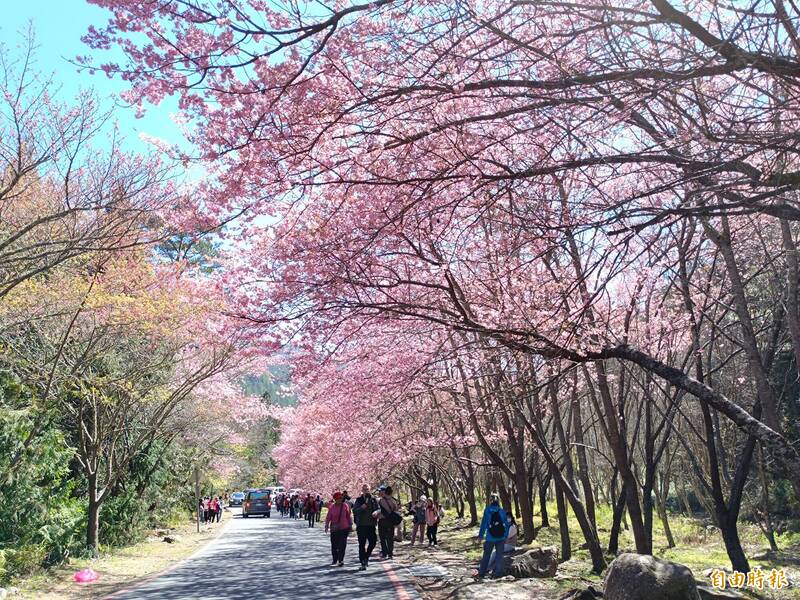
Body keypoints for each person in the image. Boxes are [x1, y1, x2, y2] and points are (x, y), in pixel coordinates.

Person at [477, 494, 508, 579]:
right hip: (501, 538)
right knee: (499, 556)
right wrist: (505, 536)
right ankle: (498, 574)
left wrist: (481, 536)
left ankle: (482, 573)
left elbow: (483, 524)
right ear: (498, 501)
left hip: (490, 538)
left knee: (486, 555)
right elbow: (506, 524)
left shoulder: (487, 511)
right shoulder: (502, 511)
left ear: (490, 501)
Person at [353, 484, 379, 570]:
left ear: (370, 489)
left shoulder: (373, 499)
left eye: (367, 489)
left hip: (371, 525)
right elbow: (354, 511)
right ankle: (363, 562)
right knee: (362, 544)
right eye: (364, 489)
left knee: (373, 542)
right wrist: (361, 508)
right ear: (362, 490)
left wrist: (376, 512)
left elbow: (379, 508)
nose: (366, 490)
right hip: (361, 525)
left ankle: (366, 556)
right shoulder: (359, 500)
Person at [325, 491, 352, 566]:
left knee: (342, 544)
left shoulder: (345, 506)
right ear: (335, 499)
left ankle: (341, 560)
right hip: (334, 529)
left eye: (340, 498)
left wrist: (350, 525)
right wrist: (326, 525)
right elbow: (328, 517)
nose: (339, 500)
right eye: (338, 498)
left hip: (344, 528)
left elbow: (348, 516)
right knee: (334, 544)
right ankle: (335, 559)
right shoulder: (332, 507)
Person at [377, 485, 400, 559]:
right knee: (390, 537)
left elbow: (379, 510)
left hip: (382, 521)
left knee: (382, 537)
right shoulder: (394, 501)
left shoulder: (381, 500)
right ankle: (390, 553)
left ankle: (384, 552)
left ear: (385, 492)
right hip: (390, 521)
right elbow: (396, 511)